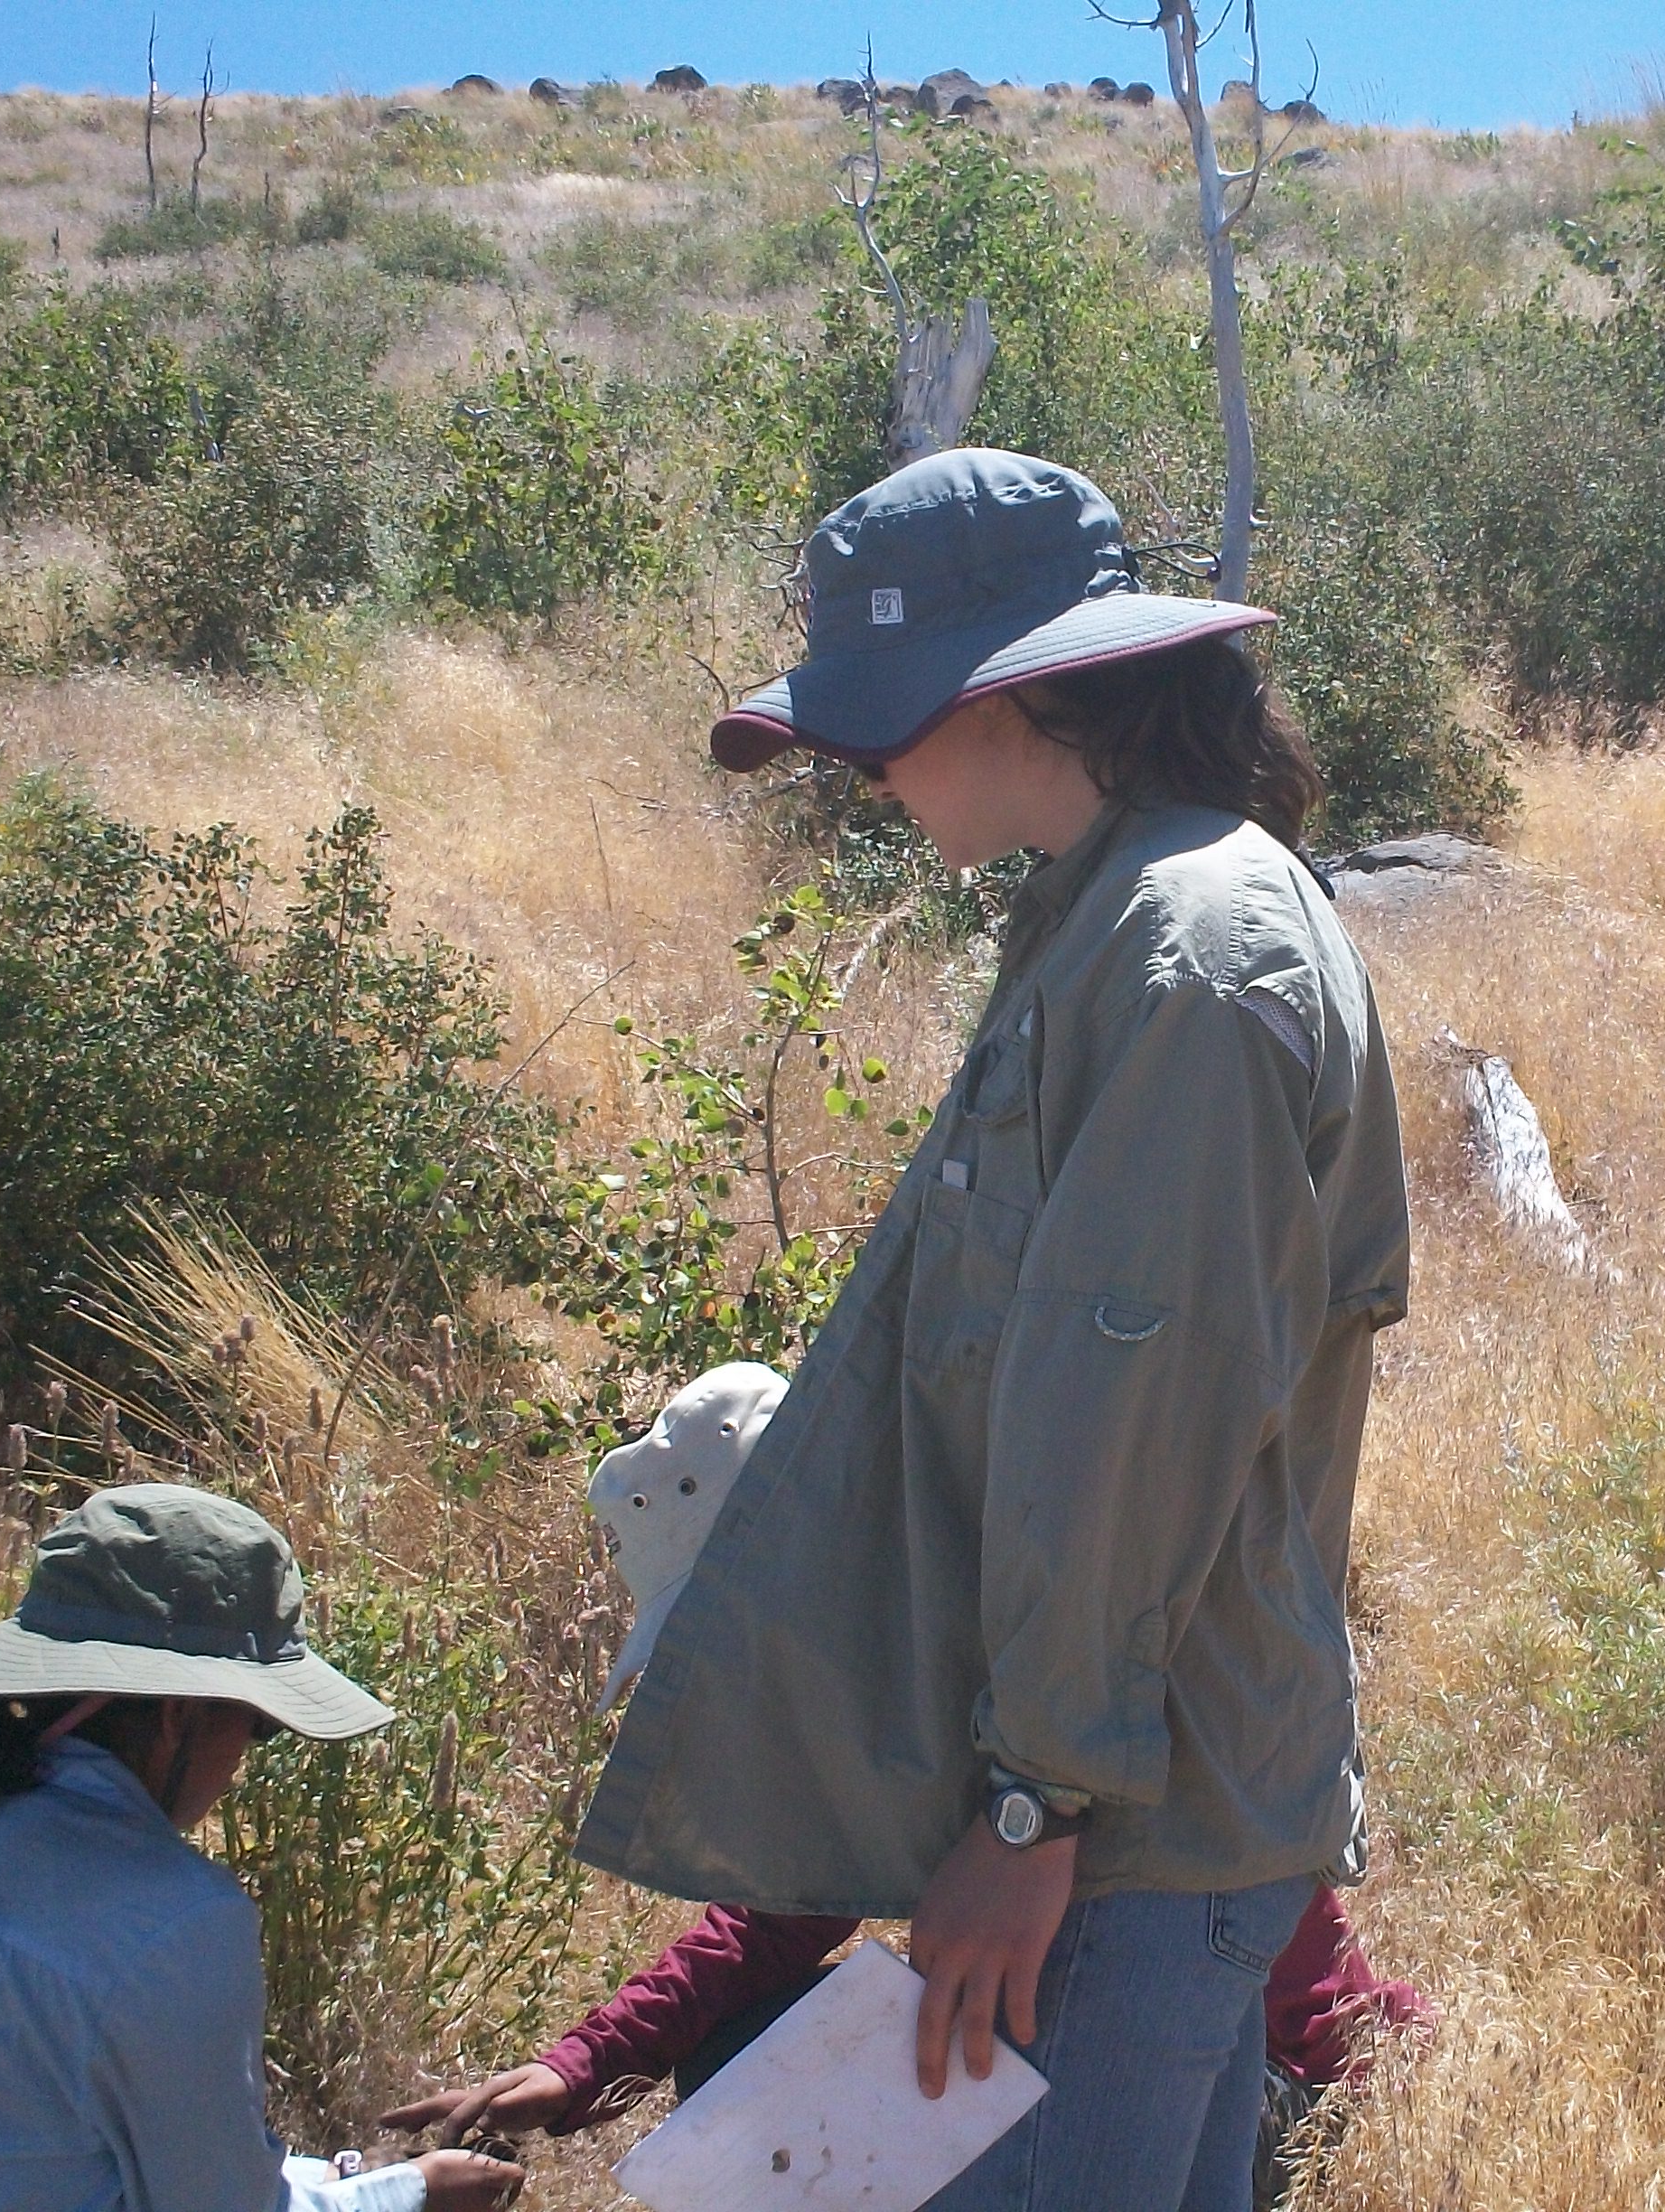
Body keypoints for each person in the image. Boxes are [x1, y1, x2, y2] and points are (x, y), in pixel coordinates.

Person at [569, 447, 1414, 2212]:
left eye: (872, 721)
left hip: (1128, 1839)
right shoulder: (1125, 910)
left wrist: (1033, 1809)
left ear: (1006, 692)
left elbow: (1136, 1421)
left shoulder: (1190, 953)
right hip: (1145, 1818)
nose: (859, 768)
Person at [384, 1365, 1429, 2204]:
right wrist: (582, 2066)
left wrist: (1394, 2102)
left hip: (1259, 2084)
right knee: (748, 2057)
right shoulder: (902, 1646)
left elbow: (1209, 1918)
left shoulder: (1012, 1642)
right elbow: (780, 1920)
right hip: (1159, 2032)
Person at [0, 1482, 523, 2212]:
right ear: (179, 1716)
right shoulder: (175, 1918)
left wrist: (340, 2179)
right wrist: (408, 2192)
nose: (242, 1761)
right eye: (257, 1725)